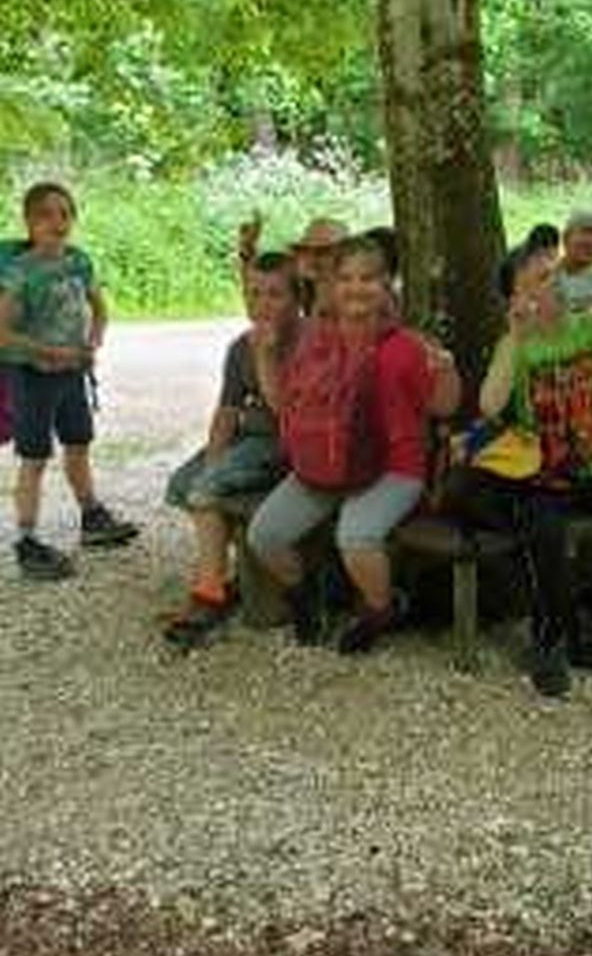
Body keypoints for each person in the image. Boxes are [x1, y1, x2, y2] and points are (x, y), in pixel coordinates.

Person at [459, 229, 592, 697]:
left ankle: (587, 612)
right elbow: (490, 405)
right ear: (516, 298)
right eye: (538, 279)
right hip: (542, 473)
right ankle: (549, 638)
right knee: (546, 535)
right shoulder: (516, 345)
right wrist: (516, 336)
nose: (553, 282)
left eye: (555, 273)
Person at [247, 234, 455, 652]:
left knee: (356, 537)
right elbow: (283, 403)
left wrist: (446, 369)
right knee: (265, 536)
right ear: (332, 284)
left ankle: (382, 608)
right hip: (326, 463)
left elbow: (444, 406)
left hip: (394, 467)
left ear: (387, 283)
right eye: (346, 278)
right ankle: (306, 594)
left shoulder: (406, 346)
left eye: (368, 278)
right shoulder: (317, 340)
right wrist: (265, 356)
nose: (356, 288)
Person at [162, 252, 300, 649]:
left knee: (205, 493)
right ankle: (223, 571)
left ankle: (210, 591)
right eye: (254, 293)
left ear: (296, 299)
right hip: (247, 438)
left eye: (275, 294)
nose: (262, 304)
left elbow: (284, 411)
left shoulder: (304, 342)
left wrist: (266, 355)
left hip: (283, 442)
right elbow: (226, 411)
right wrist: (213, 459)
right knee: (183, 485)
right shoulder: (240, 347)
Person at [0, 181, 137, 580]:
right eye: (45, 214)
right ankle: (27, 541)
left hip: (72, 373)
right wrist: (46, 350)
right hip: (32, 376)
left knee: (78, 443)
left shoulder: (78, 261)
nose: (56, 222)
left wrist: (94, 339)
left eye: (64, 213)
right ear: (29, 222)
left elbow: (99, 307)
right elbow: (3, 333)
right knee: (35, 457)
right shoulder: (19, 271)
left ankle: (92, 517)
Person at [238, 212, 348, 317]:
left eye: (322, 252)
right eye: (307, 251)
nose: (312, 259)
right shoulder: (305, 285)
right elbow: (259, 302)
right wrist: (247, 253)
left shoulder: (350, 293)